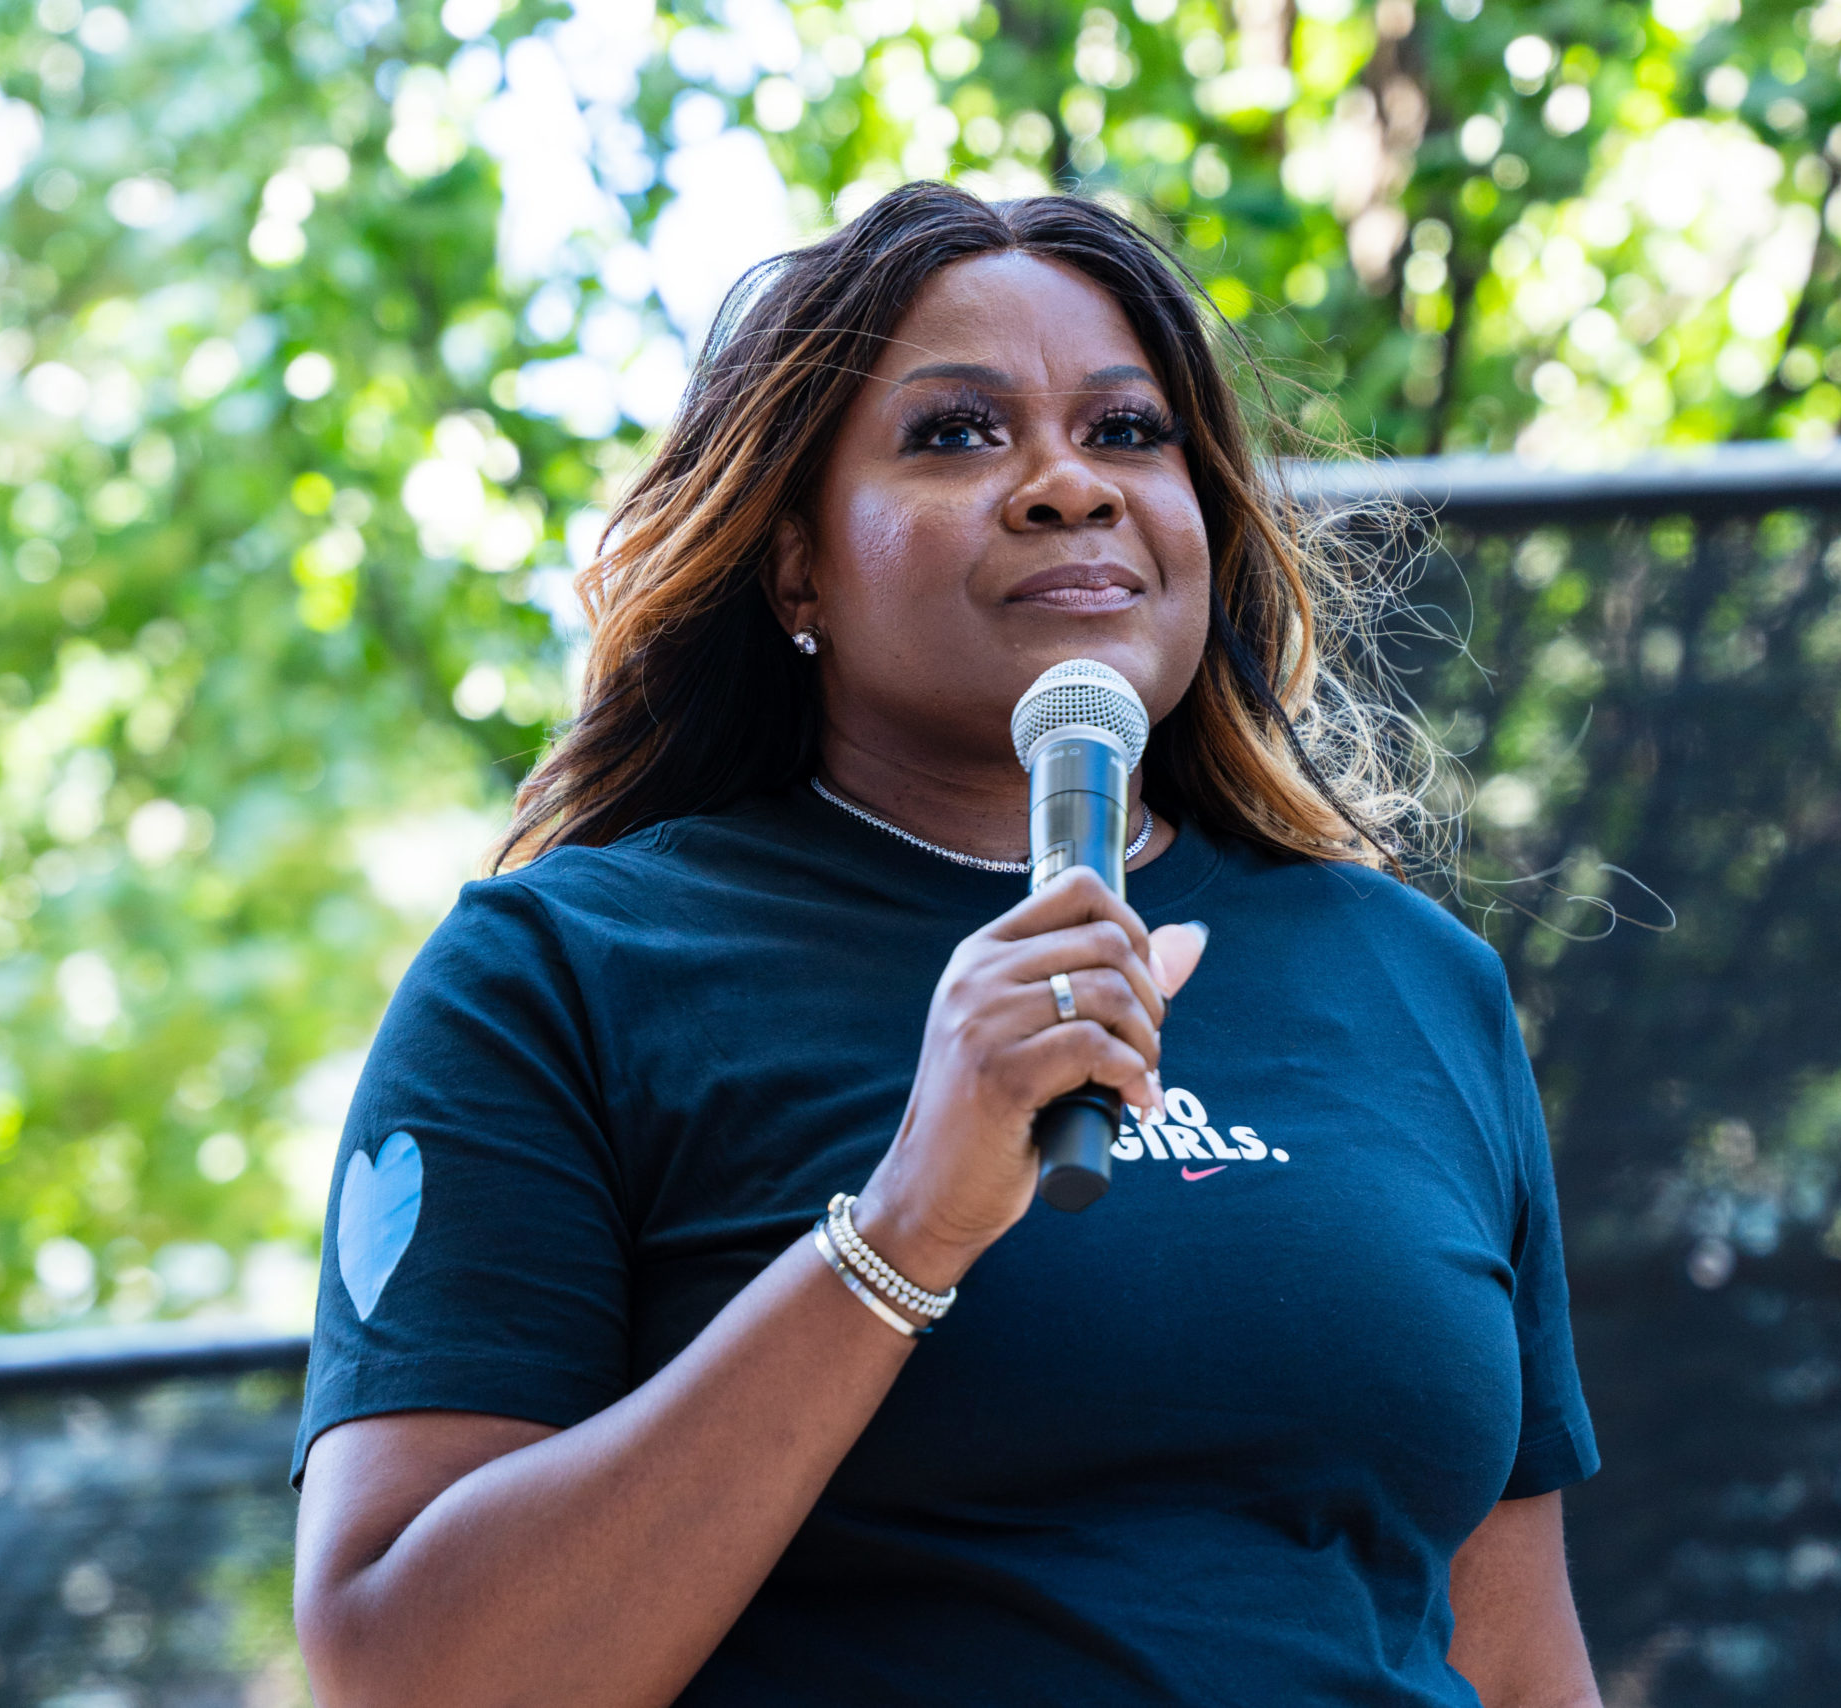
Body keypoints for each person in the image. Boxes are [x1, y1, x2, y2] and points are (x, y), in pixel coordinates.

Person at [290, 181, 1601, 1708]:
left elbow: (1513, 1655)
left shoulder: (1415, 981)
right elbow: (410, 1670)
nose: (1066, 484)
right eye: (956, 434)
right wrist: (908, 1223)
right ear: (796, 568)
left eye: (1127, 433)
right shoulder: (562, 977)